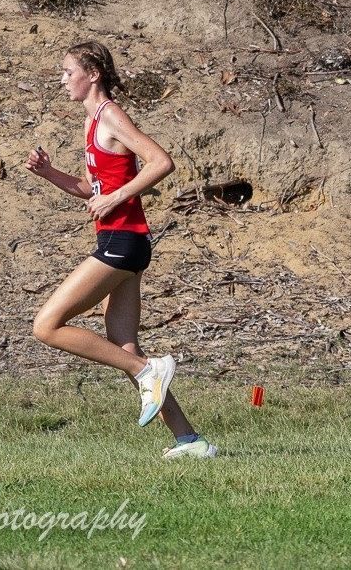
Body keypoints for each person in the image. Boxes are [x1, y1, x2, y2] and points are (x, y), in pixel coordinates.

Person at [25, 41, 217, 459]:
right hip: (120, 241)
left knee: (47, 325)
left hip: (122, 242)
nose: (62, 80)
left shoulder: (110, 114)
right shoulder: (93, 123)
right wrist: (49, 173)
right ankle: (191, 440)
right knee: (124, 345)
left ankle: (149, 371)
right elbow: (93, 192)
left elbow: (161, 161)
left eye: (67, 72)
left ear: (93, 73)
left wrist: (116, 199)